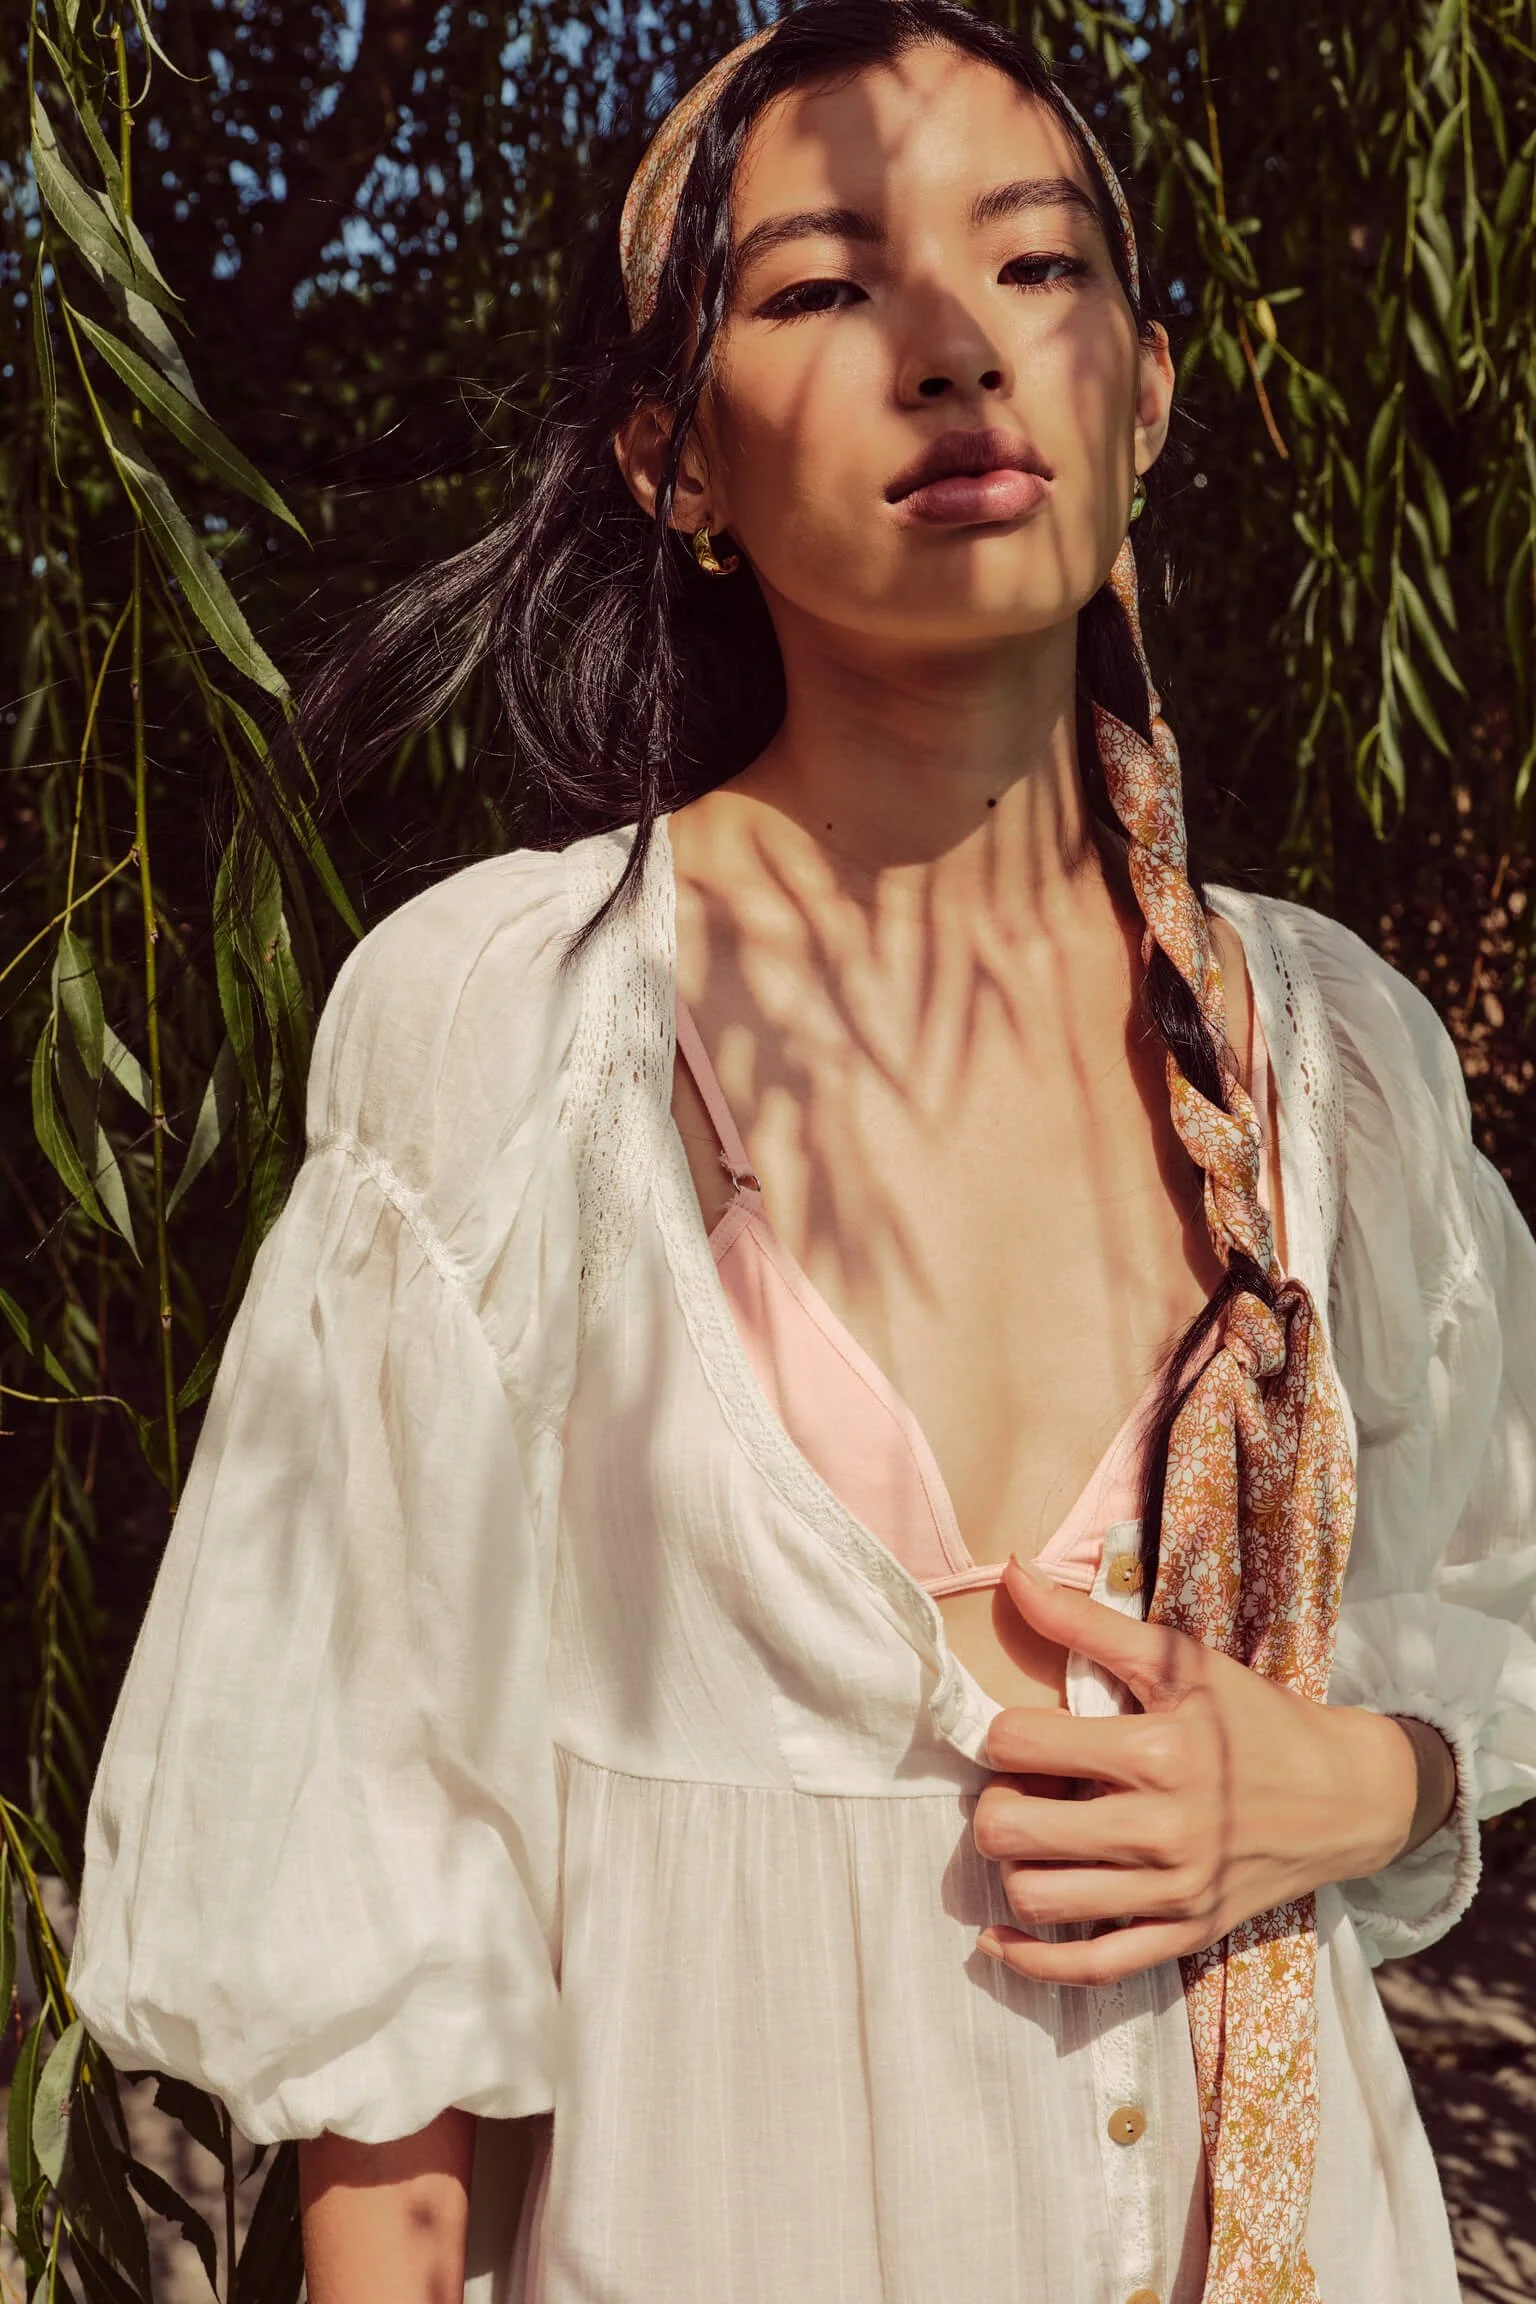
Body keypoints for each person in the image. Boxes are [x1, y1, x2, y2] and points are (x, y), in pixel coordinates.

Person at [66, 5, 1536, 2300]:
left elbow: (1500, 1591)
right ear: (671, 456)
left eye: (1034, 267)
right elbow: (378, 1888)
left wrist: (1364, 1785)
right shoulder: (510, 1026)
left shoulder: (1330, 1050)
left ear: (1148, 395)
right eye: (825, 288)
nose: (951, 345)